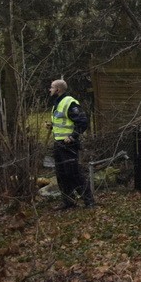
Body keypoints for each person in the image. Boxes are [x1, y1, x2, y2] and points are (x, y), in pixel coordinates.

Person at [48, 79, 93, 209]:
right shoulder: (56, 103)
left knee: (74, 173)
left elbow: (82, 122)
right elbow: (63, 123)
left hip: (68, 145)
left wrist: (73, 137)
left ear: (58, 90)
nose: (49, 90)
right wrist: (51, 126)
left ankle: (89, 201)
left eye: (51, 87)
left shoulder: (70, 103)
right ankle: (68, 202)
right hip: (58, 144)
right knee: (61, 174)